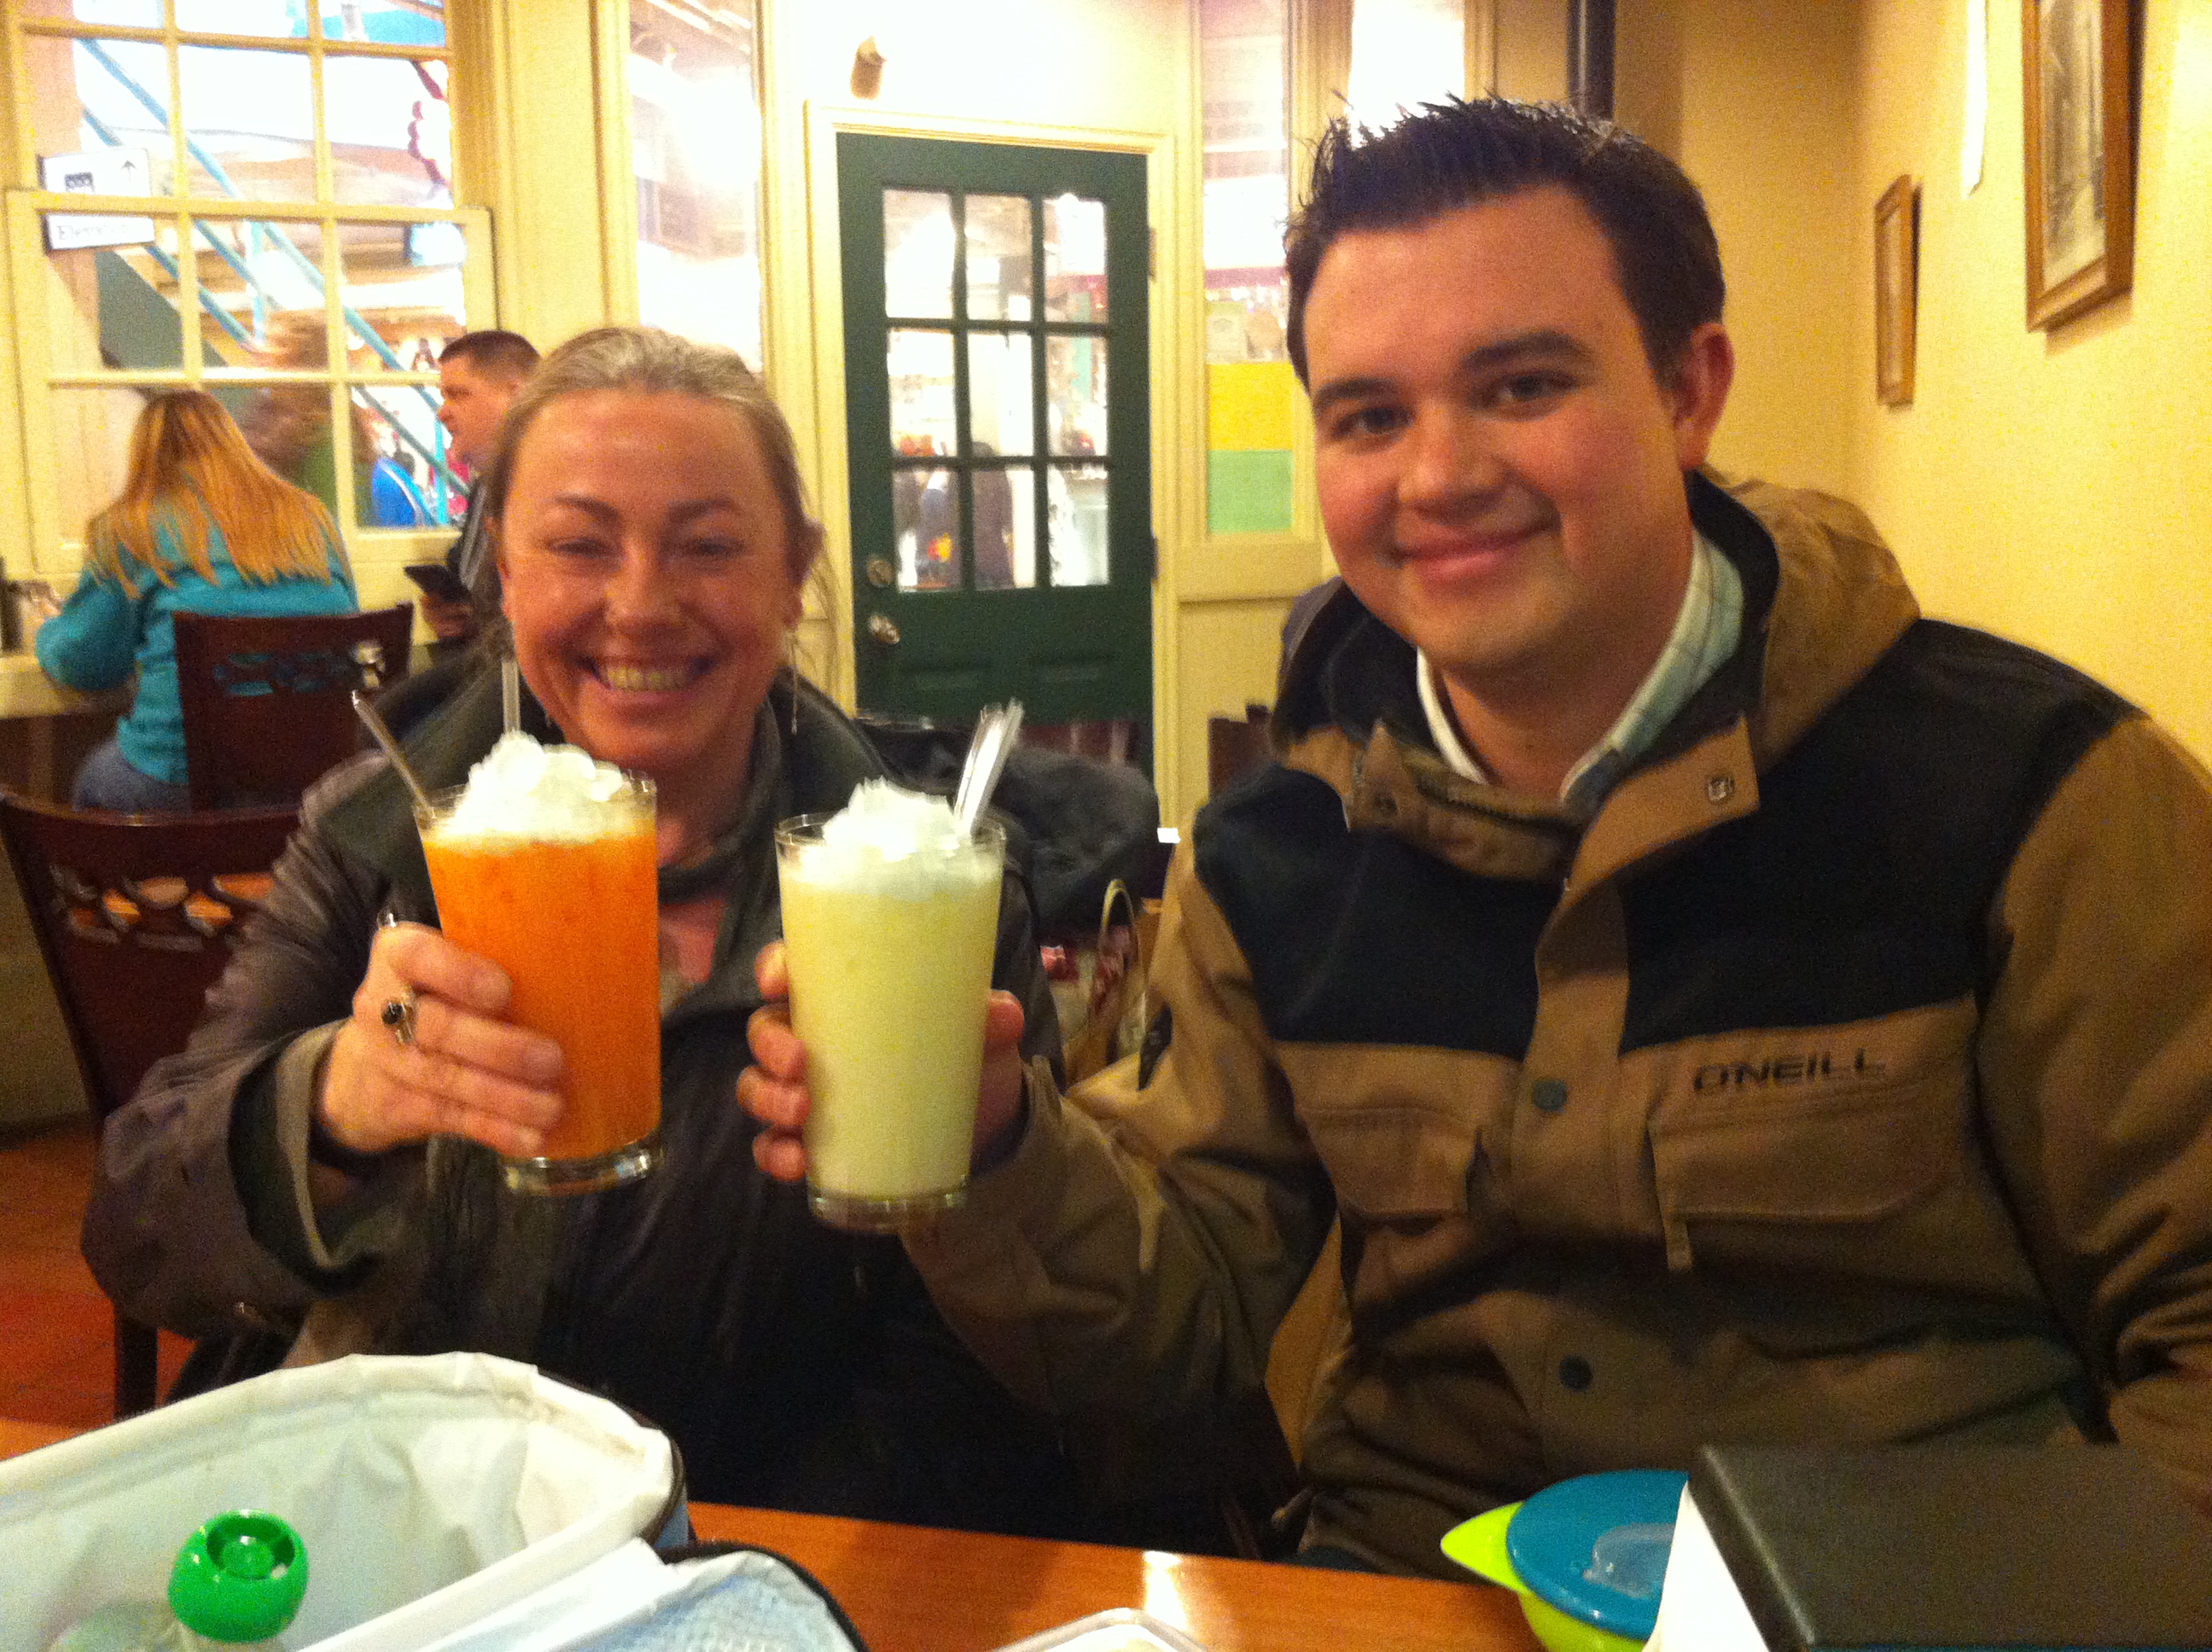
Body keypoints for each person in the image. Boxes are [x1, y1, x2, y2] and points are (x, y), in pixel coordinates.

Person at [742, 98, 2212, 1575]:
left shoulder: (2039, 797)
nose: (1437, 475)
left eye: (1519, 386)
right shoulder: (1277, 851)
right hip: (1418, 1586)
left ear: (1689, 390)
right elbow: (1172, 1335)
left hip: (1903, 1600)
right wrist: (997, 1146)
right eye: (1368, 416)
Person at [81, 326, 1177, 1544]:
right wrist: (331, 1103)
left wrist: (696, 1569)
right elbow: (137, 1225)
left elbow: (971, 1388)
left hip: (748, 1554)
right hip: (399, 1535)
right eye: (578, 545)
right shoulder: (380, 837)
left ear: (794, 575)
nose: (643, 605)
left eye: (708, 546)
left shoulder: (917, 886)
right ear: (504, 572)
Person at [37, 389, 358, 813]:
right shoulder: (312, 519)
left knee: (95, 774)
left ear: (143, 455)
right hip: (313, 781)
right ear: (235, 444)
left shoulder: (131, 528)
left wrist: (47, 630)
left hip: (183, 783)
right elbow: (348, 633)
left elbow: (85, 665)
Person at [421, 329, 538, 647]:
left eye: (458, 395)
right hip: (478, 658)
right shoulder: (486, 484)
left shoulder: (552, 491)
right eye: (444, 397)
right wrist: (450, 613)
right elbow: (467, 582)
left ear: (517, 397)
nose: (442, 412)